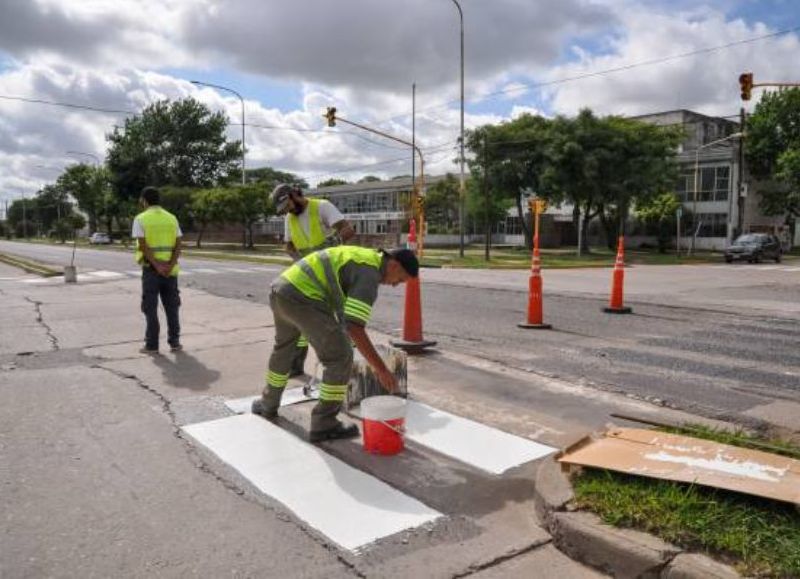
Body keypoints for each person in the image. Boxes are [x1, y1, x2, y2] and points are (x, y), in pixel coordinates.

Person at [252, 245, 418, 442]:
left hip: (282, 289)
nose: (395, 285)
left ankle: (267, 404)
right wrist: (381, 369)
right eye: (400, 279)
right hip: (302, 297)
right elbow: (354, 327)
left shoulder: (364, 257)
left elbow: (343, 311)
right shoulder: (369, 274)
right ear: (394, 264)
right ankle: (324, 423)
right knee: (340, 357)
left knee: (284, 349)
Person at [271, 183, 356, 376]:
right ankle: (296, 363)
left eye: (288, 206)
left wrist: (333, 243)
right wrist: (299, 261)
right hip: (308, 273)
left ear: (293, 195)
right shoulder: (289, 218)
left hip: (331, 270)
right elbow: (289, 246)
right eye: (284, 210)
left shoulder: (321, 207)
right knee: (301, 319)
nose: (288, 211)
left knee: (341, 316)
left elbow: (348, 230)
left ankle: (349, 364)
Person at [132, 186, 183, 354]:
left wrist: (157, 265)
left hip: (151, 271)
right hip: (170, 272)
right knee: (172, 308)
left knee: (150, 307)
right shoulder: (172, 218)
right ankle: (175, 342)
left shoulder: (141, 219)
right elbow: (178, 245)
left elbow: (143, 246)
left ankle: (152, 345)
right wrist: (169, 265)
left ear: (144, 200)